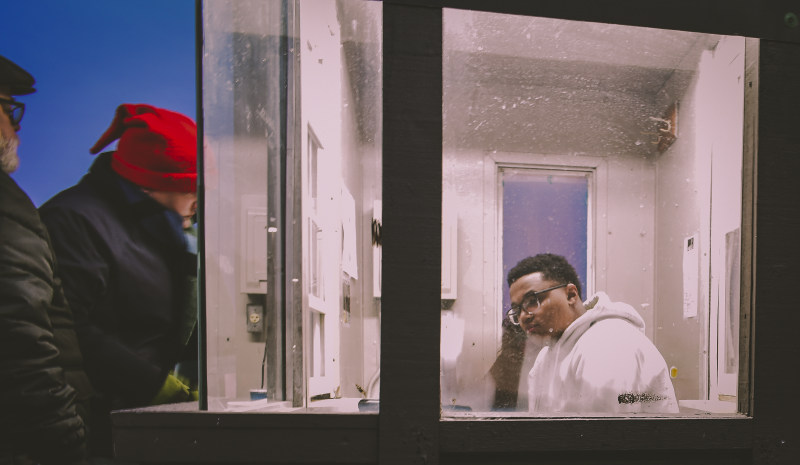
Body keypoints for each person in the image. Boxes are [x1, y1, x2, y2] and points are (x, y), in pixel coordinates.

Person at [39, 103, 199, 458]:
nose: (199, 201)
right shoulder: (74, 221)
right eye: (194, 188)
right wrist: (155, 385)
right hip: (97, 423)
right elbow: (67, 327)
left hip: (138, 414)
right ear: (154, 183)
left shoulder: (157, 224)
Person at [0, 54, 91, 464]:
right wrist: (65, 439)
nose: (18, 126)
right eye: (9, 108)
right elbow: (19, 336)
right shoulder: (6, 206)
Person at [506, 253, 678, 414]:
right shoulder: (546, 356)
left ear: (571, 295)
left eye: (532, 301)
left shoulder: (607, 342)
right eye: (517, 309)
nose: (523, 316)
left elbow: (602, 437)